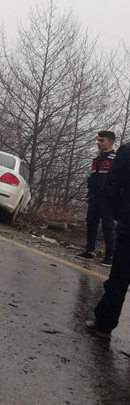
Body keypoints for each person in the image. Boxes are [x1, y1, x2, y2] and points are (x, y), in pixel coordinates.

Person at [85, 140, 130, 339]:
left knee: (120, 277)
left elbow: (112, 185)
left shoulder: (127, 150)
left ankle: (104, 325)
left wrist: (118, 214)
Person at [77, 131, 117, 266]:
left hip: (108, 199)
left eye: (102, 140)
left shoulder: (115, 159)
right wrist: (89, 194)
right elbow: (93, 179)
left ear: (110, 142)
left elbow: (117, 181)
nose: (98, 143)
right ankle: (89, 250)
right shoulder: (96, 160)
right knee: (91, 222)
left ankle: (110, 256)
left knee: (108, 226)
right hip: (95, 197)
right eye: (98, 140)